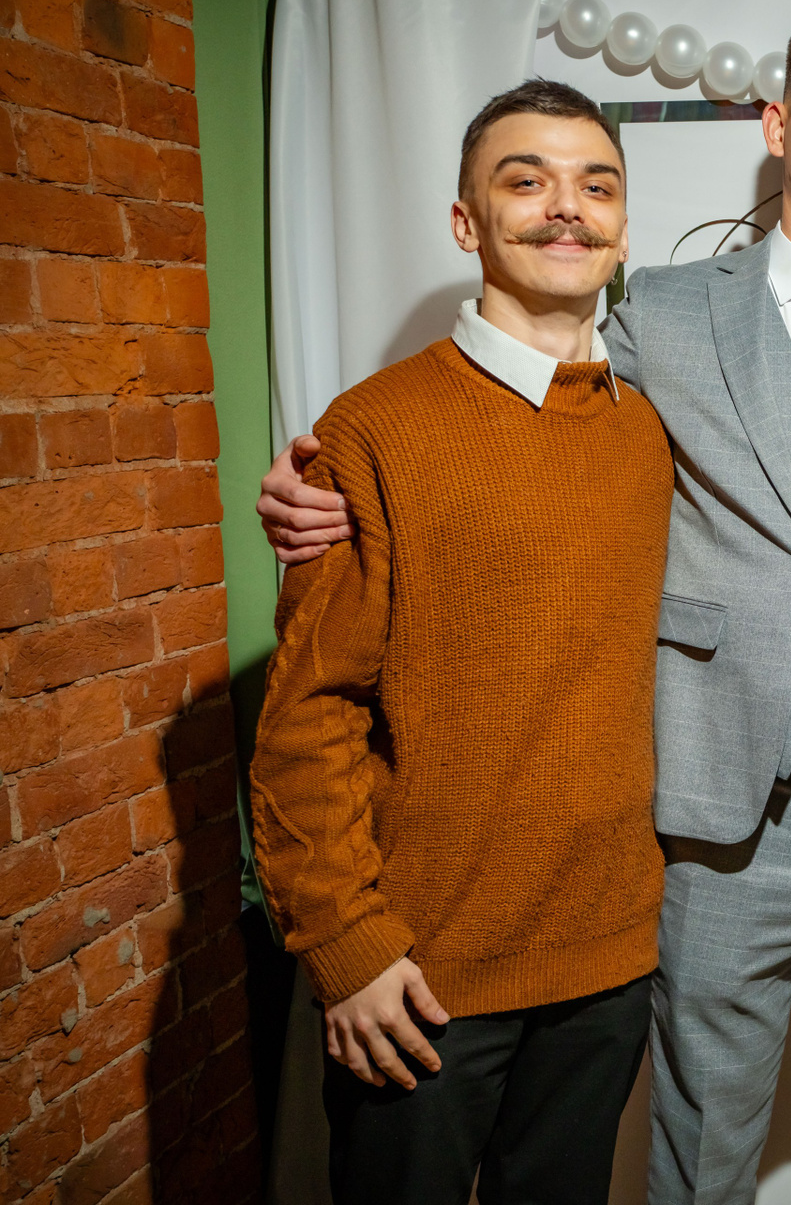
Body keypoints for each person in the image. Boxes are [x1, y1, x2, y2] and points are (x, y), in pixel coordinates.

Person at [256, 2, 791, 1205]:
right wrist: (315, 487)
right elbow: (518, 398)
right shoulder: (659, 316)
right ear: (779, 125)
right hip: (713, 822)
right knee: (697, 1162)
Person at [248, 81, 671, 1204]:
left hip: (607, 958)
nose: (566, 207)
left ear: (624, 227)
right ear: (465, 221)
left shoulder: (650, 429)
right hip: (421, 972)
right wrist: (345, 944)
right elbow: (308, 714)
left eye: (596, 186)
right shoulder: (371, 429)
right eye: (526, 181)